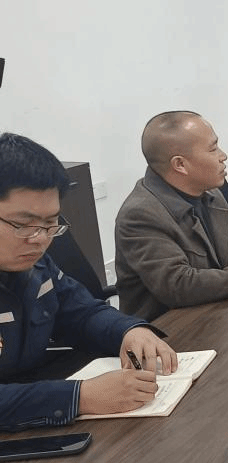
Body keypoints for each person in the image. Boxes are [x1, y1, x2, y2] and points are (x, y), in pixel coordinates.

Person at [0, 133, 179, 430]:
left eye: (50, 223)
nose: (40, 239)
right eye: (23, 224)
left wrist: (129, 330)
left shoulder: (35, 265)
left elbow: (81, 312)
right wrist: (79, 397)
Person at [116, 111, 228, 320]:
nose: (223, 156)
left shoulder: (208, 191)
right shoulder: (140, 215)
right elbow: (179, 285)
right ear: (180, 165)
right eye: (213, 149)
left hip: (219, 312)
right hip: (174, 329)